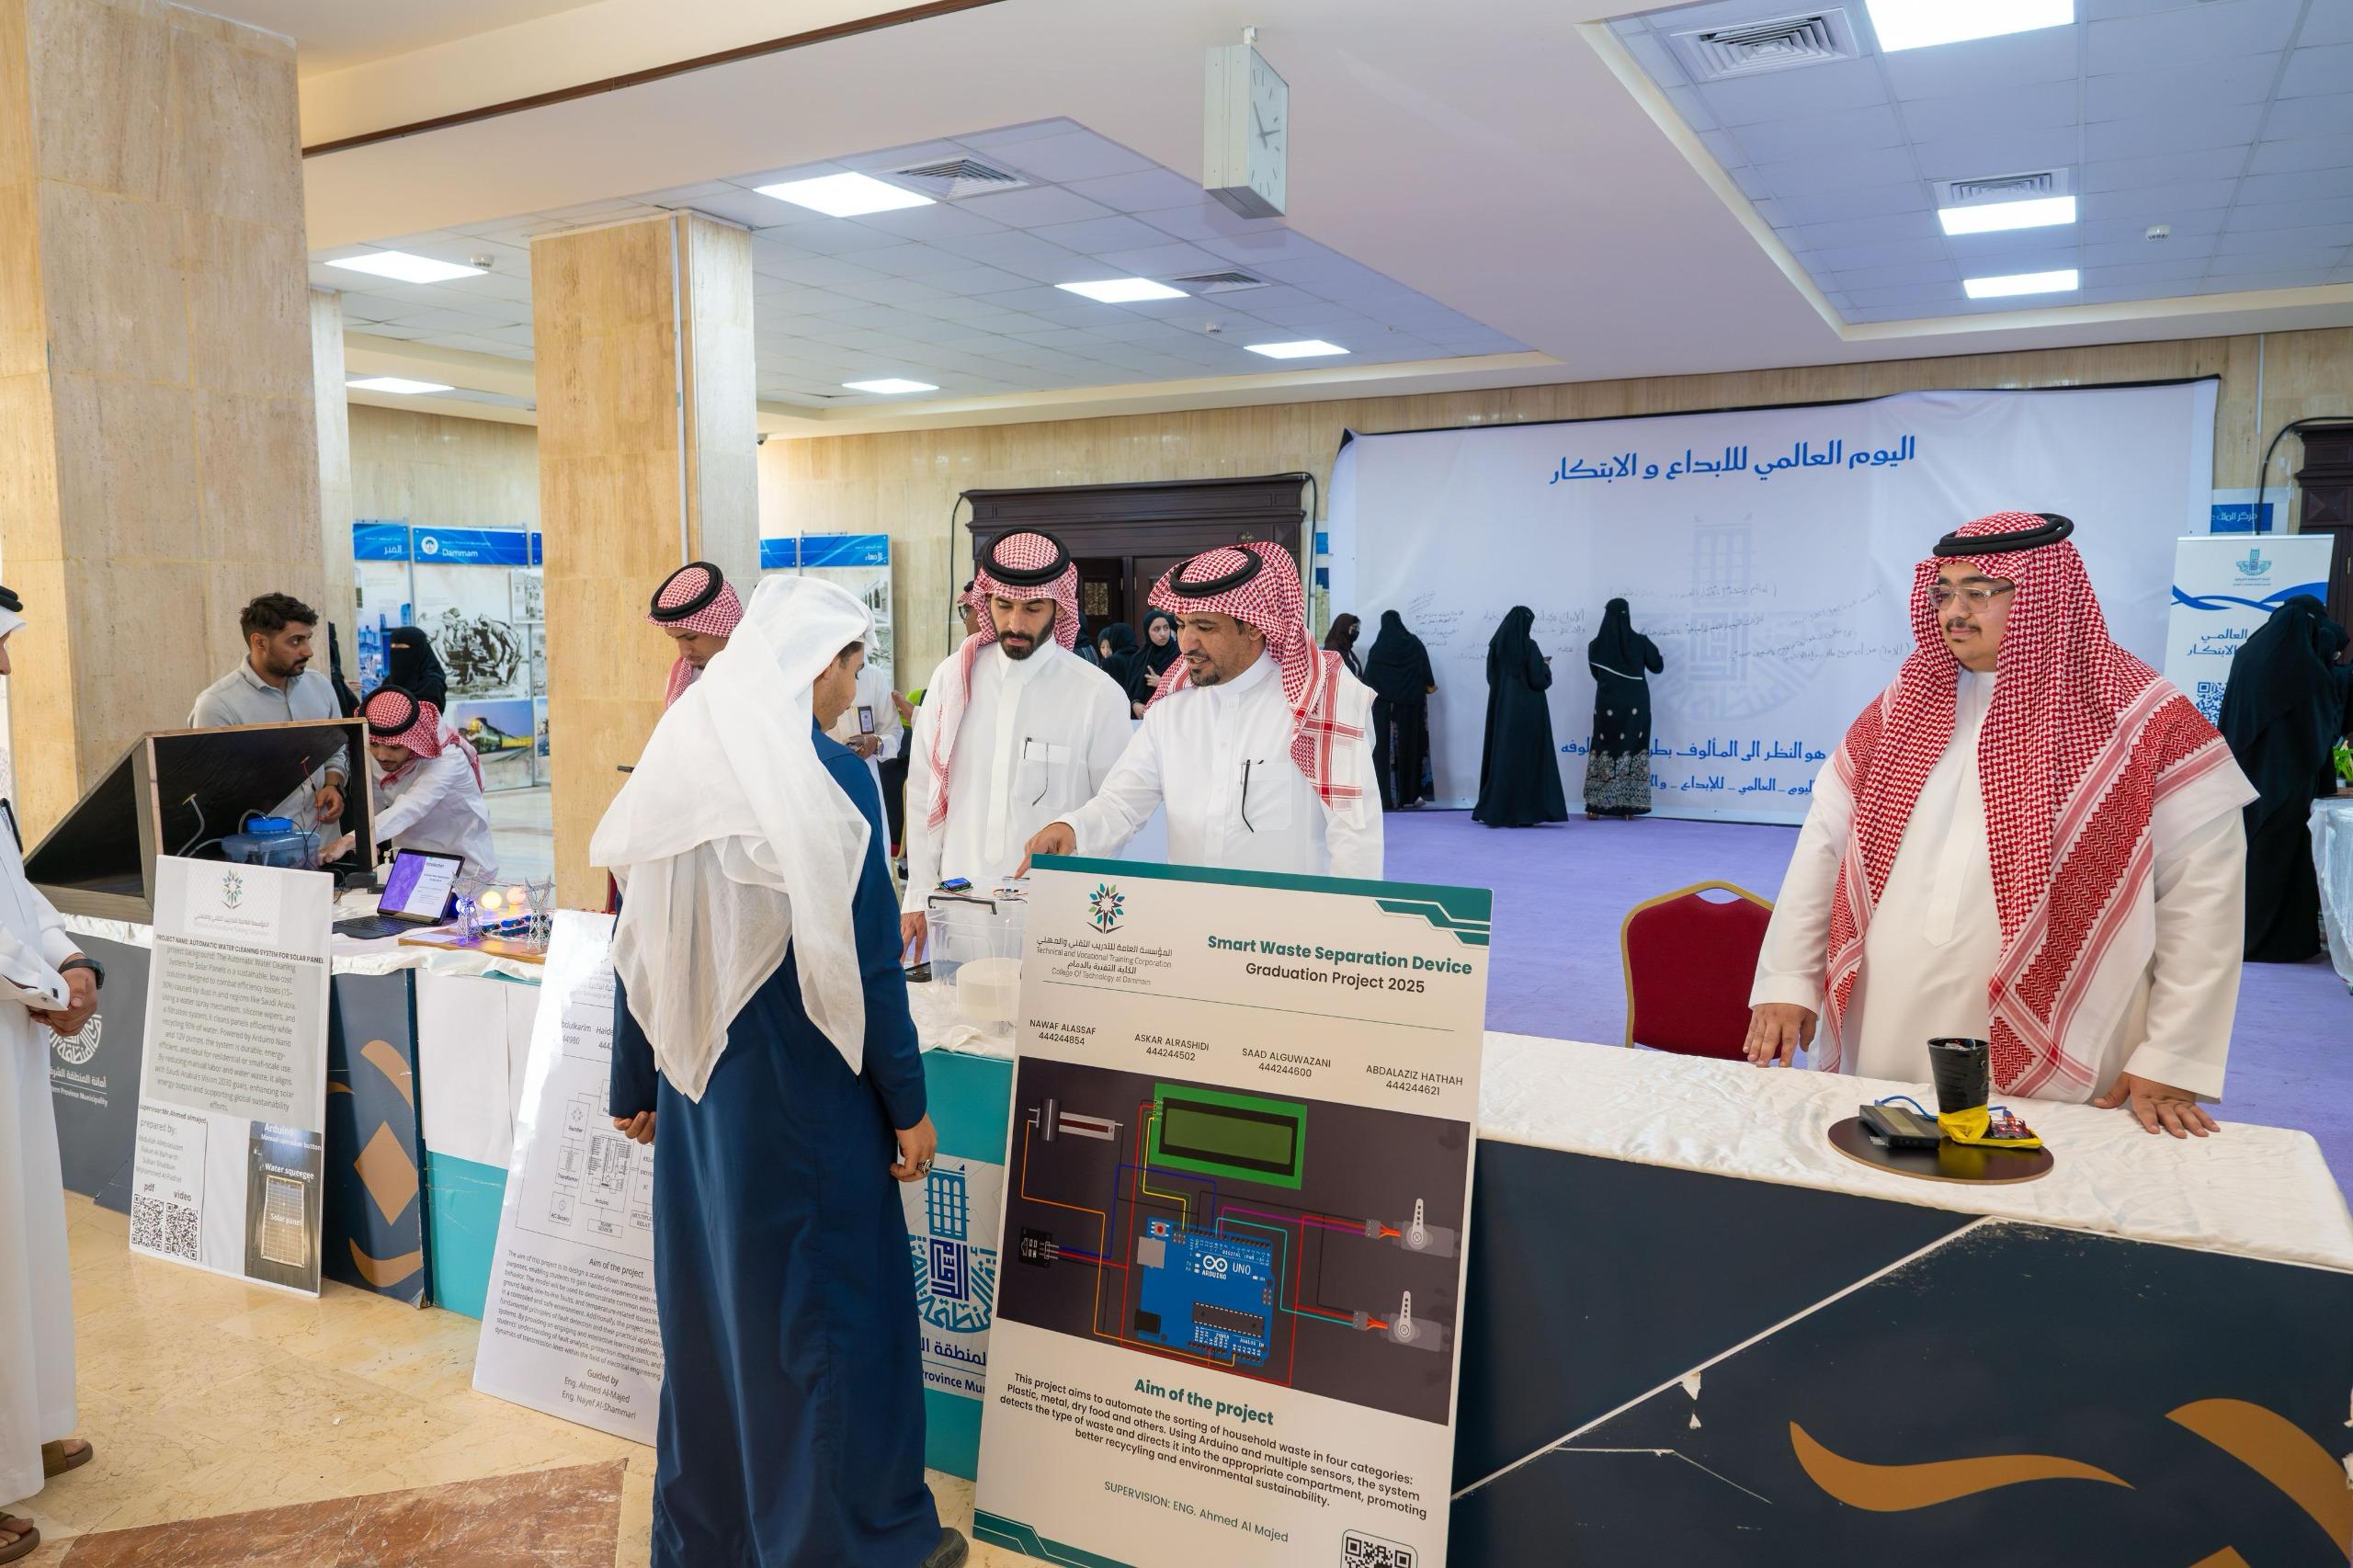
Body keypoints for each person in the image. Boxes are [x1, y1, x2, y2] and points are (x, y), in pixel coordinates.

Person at [597, 575, 964, 1568]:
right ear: (817, 665)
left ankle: (713, 1540)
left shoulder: (681, 755)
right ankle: (841, 1546)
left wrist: (636, 1078)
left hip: (699, 1097)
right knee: (824, 1324)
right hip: (807, 1098)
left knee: (716, 1318)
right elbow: (870, 967)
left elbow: (635, 937)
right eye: (852, 664)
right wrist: (908, 1105)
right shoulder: (830, 776)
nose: (855, 686)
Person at [1745, 512, 2255, 1138]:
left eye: (1979, 592)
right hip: (1885, 1014)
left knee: (2040, 1173)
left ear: (2045, 593)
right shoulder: (1899, 709)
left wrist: (2174, 1055)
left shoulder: (2146, 722)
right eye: (1944, 593)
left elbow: (2202, 901)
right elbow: (1822, 850)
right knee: (1884, 1160)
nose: (1955, 612)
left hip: (2068, 1024)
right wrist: (1789, 980)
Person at [1022, 542, 1382, 880]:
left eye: (1205, 628)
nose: (1185, 643)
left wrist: (1346, 919)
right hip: (1188, 917)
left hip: (1288, 922)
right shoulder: (1171, 710)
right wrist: (1072, 829)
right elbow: (1121, 803)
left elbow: (1354, 834)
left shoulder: (1318, 702)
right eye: (1181, 625)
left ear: (1254, 626)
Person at [0, 585, 101, 1565]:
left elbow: (11, 882)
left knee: (20, 1235)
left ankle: (21, 1428)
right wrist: (42, 984)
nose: (4, 666)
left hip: (13, 1036)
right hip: (10, 1010)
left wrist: (71, 960)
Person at [903, 533, 1130, 958]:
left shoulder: (1097, 696)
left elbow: (1119, 808)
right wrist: (917, 893)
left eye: (1032, 608)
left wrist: (1076, 836)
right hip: (957, 909)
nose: (1015, 624)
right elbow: (921, 791)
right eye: (1003, 605)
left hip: (1054, 923)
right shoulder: (954, 679)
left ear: (1058, 606)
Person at [2218, 594, 2353, 961]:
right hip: (2289, 783)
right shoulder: (2308, 671)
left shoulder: (2247, 657)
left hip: (2243, 781)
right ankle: (2281, 942)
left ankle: (2236, 937)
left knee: (2248, 858)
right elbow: (2322, 731)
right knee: (2284, 862)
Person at [188, 592, 350, 829]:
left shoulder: (320, 686)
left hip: (325, 839)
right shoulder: (217, 704)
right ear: (260, 642)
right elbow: (214, 792)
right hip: (261, 847)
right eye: (295, 641)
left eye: (308, 639)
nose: (308, 651)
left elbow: (337, 749)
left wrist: (333, 784)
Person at [330, 685, 494, 877]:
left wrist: (351, 840)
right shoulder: (381, 755)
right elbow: (375, 799)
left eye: (395, 747)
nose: (381, 755)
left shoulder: (449, 759)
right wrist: (369, 838)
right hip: (411, 861)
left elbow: (412, 806)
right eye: (373, 744)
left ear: (415, 741)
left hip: (461, 862)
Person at [1472, 606, 1568, 827]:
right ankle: (1526, 812)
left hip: (1502, 711)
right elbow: (1538, 680)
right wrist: (1545, 667)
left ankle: (1497, 809)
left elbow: (1491, 679)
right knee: (1528, 759)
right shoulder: (1529, 646)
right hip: (1529, 712)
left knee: (1503, 757)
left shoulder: (1495, 647)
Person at [1584, 597, 1665, 820]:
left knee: (1604, 747)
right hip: (1636, 704)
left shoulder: (1595, 645)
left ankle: (1595, 808)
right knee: (1633, 746)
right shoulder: (1640, 641)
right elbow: (1657, 666)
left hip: (1607, 703)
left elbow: (1596, 675)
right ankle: (1630, 808)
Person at [1363, 609, 1437, 811]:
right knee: (1411, 750)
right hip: (1410, 712)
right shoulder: (1414, 645)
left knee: (1384, 754)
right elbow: (1428, 679)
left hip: (1384, 715)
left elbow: (1368, 681)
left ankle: (1387, 798)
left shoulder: (1378, 650)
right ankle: (1410, 796)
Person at [646, 561, 744, 707]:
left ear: (722, 624)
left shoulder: (755, 674)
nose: (684, 652)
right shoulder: (680, 677)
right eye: (675, 639)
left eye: (691, 637)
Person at [828, 642, 904, 817]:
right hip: (826, 782)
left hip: (865, 783)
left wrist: (875, 743)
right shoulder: (814, 675)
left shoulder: (873, 677)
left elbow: (895, 733)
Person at [1126, 607, 1180, 718]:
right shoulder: (1139, 658)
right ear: (1147, 632)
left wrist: (1163, 683)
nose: (1163, 633)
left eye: (1166, 628)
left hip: (1172, 715)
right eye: (1156, 629)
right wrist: (1134, 704)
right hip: (1143, 719)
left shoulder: (1179, 656)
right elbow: (1128, 689)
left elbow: (1189, 688)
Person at [382, 625, 449, 710]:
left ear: (419, 651)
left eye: (402, 648)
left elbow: (428, 716)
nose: (396, 654)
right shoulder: (388, 682)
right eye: (393, 648)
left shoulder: (432, 684)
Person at [1095, 621, 1139, 689]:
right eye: (1102, 647)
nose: (1106, 651)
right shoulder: (1142, 657)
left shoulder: (1110, 662)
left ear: (1115, 638)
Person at [1324, 613, 1365, 679]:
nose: (1356, 631)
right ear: (1343, 627)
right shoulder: (1332, 651)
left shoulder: (1346, 649)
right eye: (1354, 628)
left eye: (1358, 628)